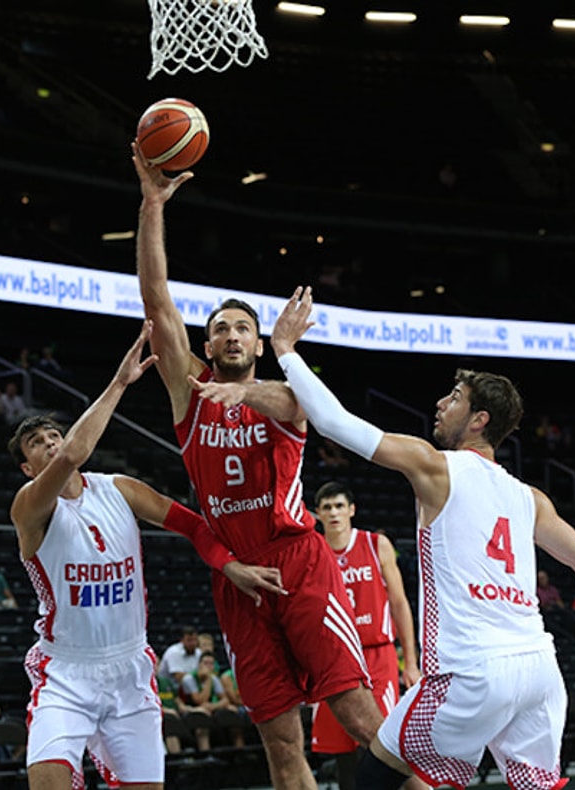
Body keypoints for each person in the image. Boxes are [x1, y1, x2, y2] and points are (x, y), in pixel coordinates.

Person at [258, 286, 575, 790]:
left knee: (377, 771)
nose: (441, 402)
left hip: (472, 672)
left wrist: (285, 350)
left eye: (455, 398)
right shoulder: (531, 498)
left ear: (479, 420)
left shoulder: (435, 466)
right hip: (540, 670)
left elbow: (333, 422)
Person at [134, 145, 384, 790]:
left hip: (299, 562)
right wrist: (153, 205)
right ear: (208, 345)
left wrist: (245, 391)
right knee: (279, 740)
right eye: (220, 330)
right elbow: (157, 301)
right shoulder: (189, 392)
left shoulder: (279, 396)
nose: (232, 336)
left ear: (256, 340)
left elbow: (301, 405)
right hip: (239, 581)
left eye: (243, 327)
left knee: (359, 716)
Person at [8, 320, 285, 790]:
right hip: (65, 670)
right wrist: (120, 383)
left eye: (53, 435)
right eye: (38, 444)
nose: (51, 444)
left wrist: (228, 564)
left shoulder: (120, 489)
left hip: (130, 667)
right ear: (27, 466)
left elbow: (194, 526)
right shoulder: (29, 505)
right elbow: (73, 455)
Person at [310, 480, 423, 790]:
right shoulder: (312, 550)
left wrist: (410, 662)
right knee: (342, 750)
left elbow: (399, 602)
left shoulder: (376, 545)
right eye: (327, 507)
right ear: (318, 514)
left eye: (339, 506)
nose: (334, 513)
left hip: (377, 653)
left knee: (382, 741)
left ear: (352, 510)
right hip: (333, 658)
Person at [157, 625, 201, 693]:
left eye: (195, 640)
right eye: (189, 640)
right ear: (182, 640)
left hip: (188, 688)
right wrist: (199, 675)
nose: (193, 643)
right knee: (188, 679)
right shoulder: (174, 652)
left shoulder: (199, 652)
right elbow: (179, 678)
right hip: (168, 689)